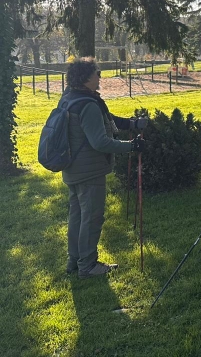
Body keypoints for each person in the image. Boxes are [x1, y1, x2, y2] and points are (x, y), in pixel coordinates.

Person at [60, 58, 146, 278]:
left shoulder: (71, 97)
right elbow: (100, 142)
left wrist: (131, 124)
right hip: (90, 170)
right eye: (97, 72)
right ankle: (87, 266)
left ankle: (74, 261)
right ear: (86, 77)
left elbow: (104, 120)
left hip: (72, 167)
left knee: (77, 216)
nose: (100, 76)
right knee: (92, 217)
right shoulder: (88, 104)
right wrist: (132, 146)